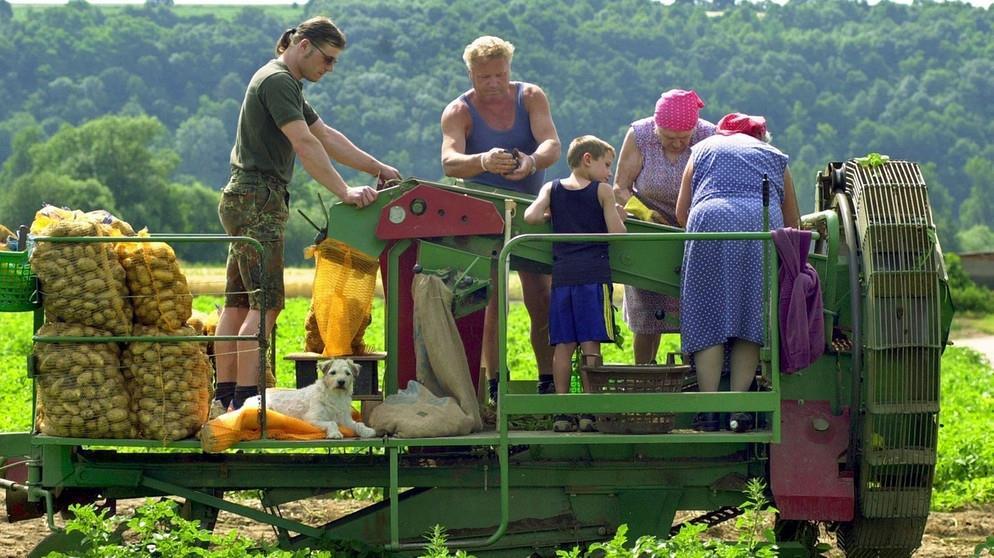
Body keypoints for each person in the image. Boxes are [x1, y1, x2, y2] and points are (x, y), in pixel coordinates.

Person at [214, 16, 401, 410]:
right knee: (266, 304)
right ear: (303, 46)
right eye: (328, 59)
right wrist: (344, 191)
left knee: (238, 304)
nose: (329, 68)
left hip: (243, 197)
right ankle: (247, 402)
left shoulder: (284, 83)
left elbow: (326, 136)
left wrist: (377, 169)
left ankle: (224, 396)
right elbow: (304, 142)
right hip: (259, 198)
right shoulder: (278, 80)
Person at [440, 35, 562, 401]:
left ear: (508, 70)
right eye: (483, 77)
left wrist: (530, 162)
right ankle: (496, 384)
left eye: (498, 75)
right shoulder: (459, 111)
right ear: (471, 75)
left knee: (541, 296)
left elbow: (551, 144)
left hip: (530, 212)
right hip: (482, 215)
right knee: (490, 299)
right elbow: (448, 160)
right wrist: (483, 161)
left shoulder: (530, 96)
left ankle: (547, 379)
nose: (492, 83)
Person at [675, 113, 800, 432]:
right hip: (758, 228)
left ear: (723, 132)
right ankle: (738, 408)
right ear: (760, 137)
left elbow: (680, 212)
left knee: (707, 314)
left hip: (710, 223)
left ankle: (709, 411)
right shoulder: (775, 156)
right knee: (752, 315)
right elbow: (793, 224)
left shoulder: (703, 148)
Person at [523, 136, 627, 432]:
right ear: (587, 160)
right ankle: (589, 412)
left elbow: (530, 216)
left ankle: (562, 413)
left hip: (563, 277)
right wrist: (620, 214)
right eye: (606, 165)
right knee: (591, 345)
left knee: (563, 346)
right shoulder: (602, 191)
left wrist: (549, 213)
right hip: (593, 277)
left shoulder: (551, 188)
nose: (608, 173)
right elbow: (617, 235)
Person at [612, 89, 716, 365]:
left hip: (693, 233)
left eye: (684, 138)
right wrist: (648, 215)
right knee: (647, 314)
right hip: (649, 234)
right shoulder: (640, 135)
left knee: (696, 312)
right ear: (657, 128)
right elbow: (620, 188)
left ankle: (693, 379)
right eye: (670, 138)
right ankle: (645, 381)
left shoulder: (710, 136)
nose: (678, 144)